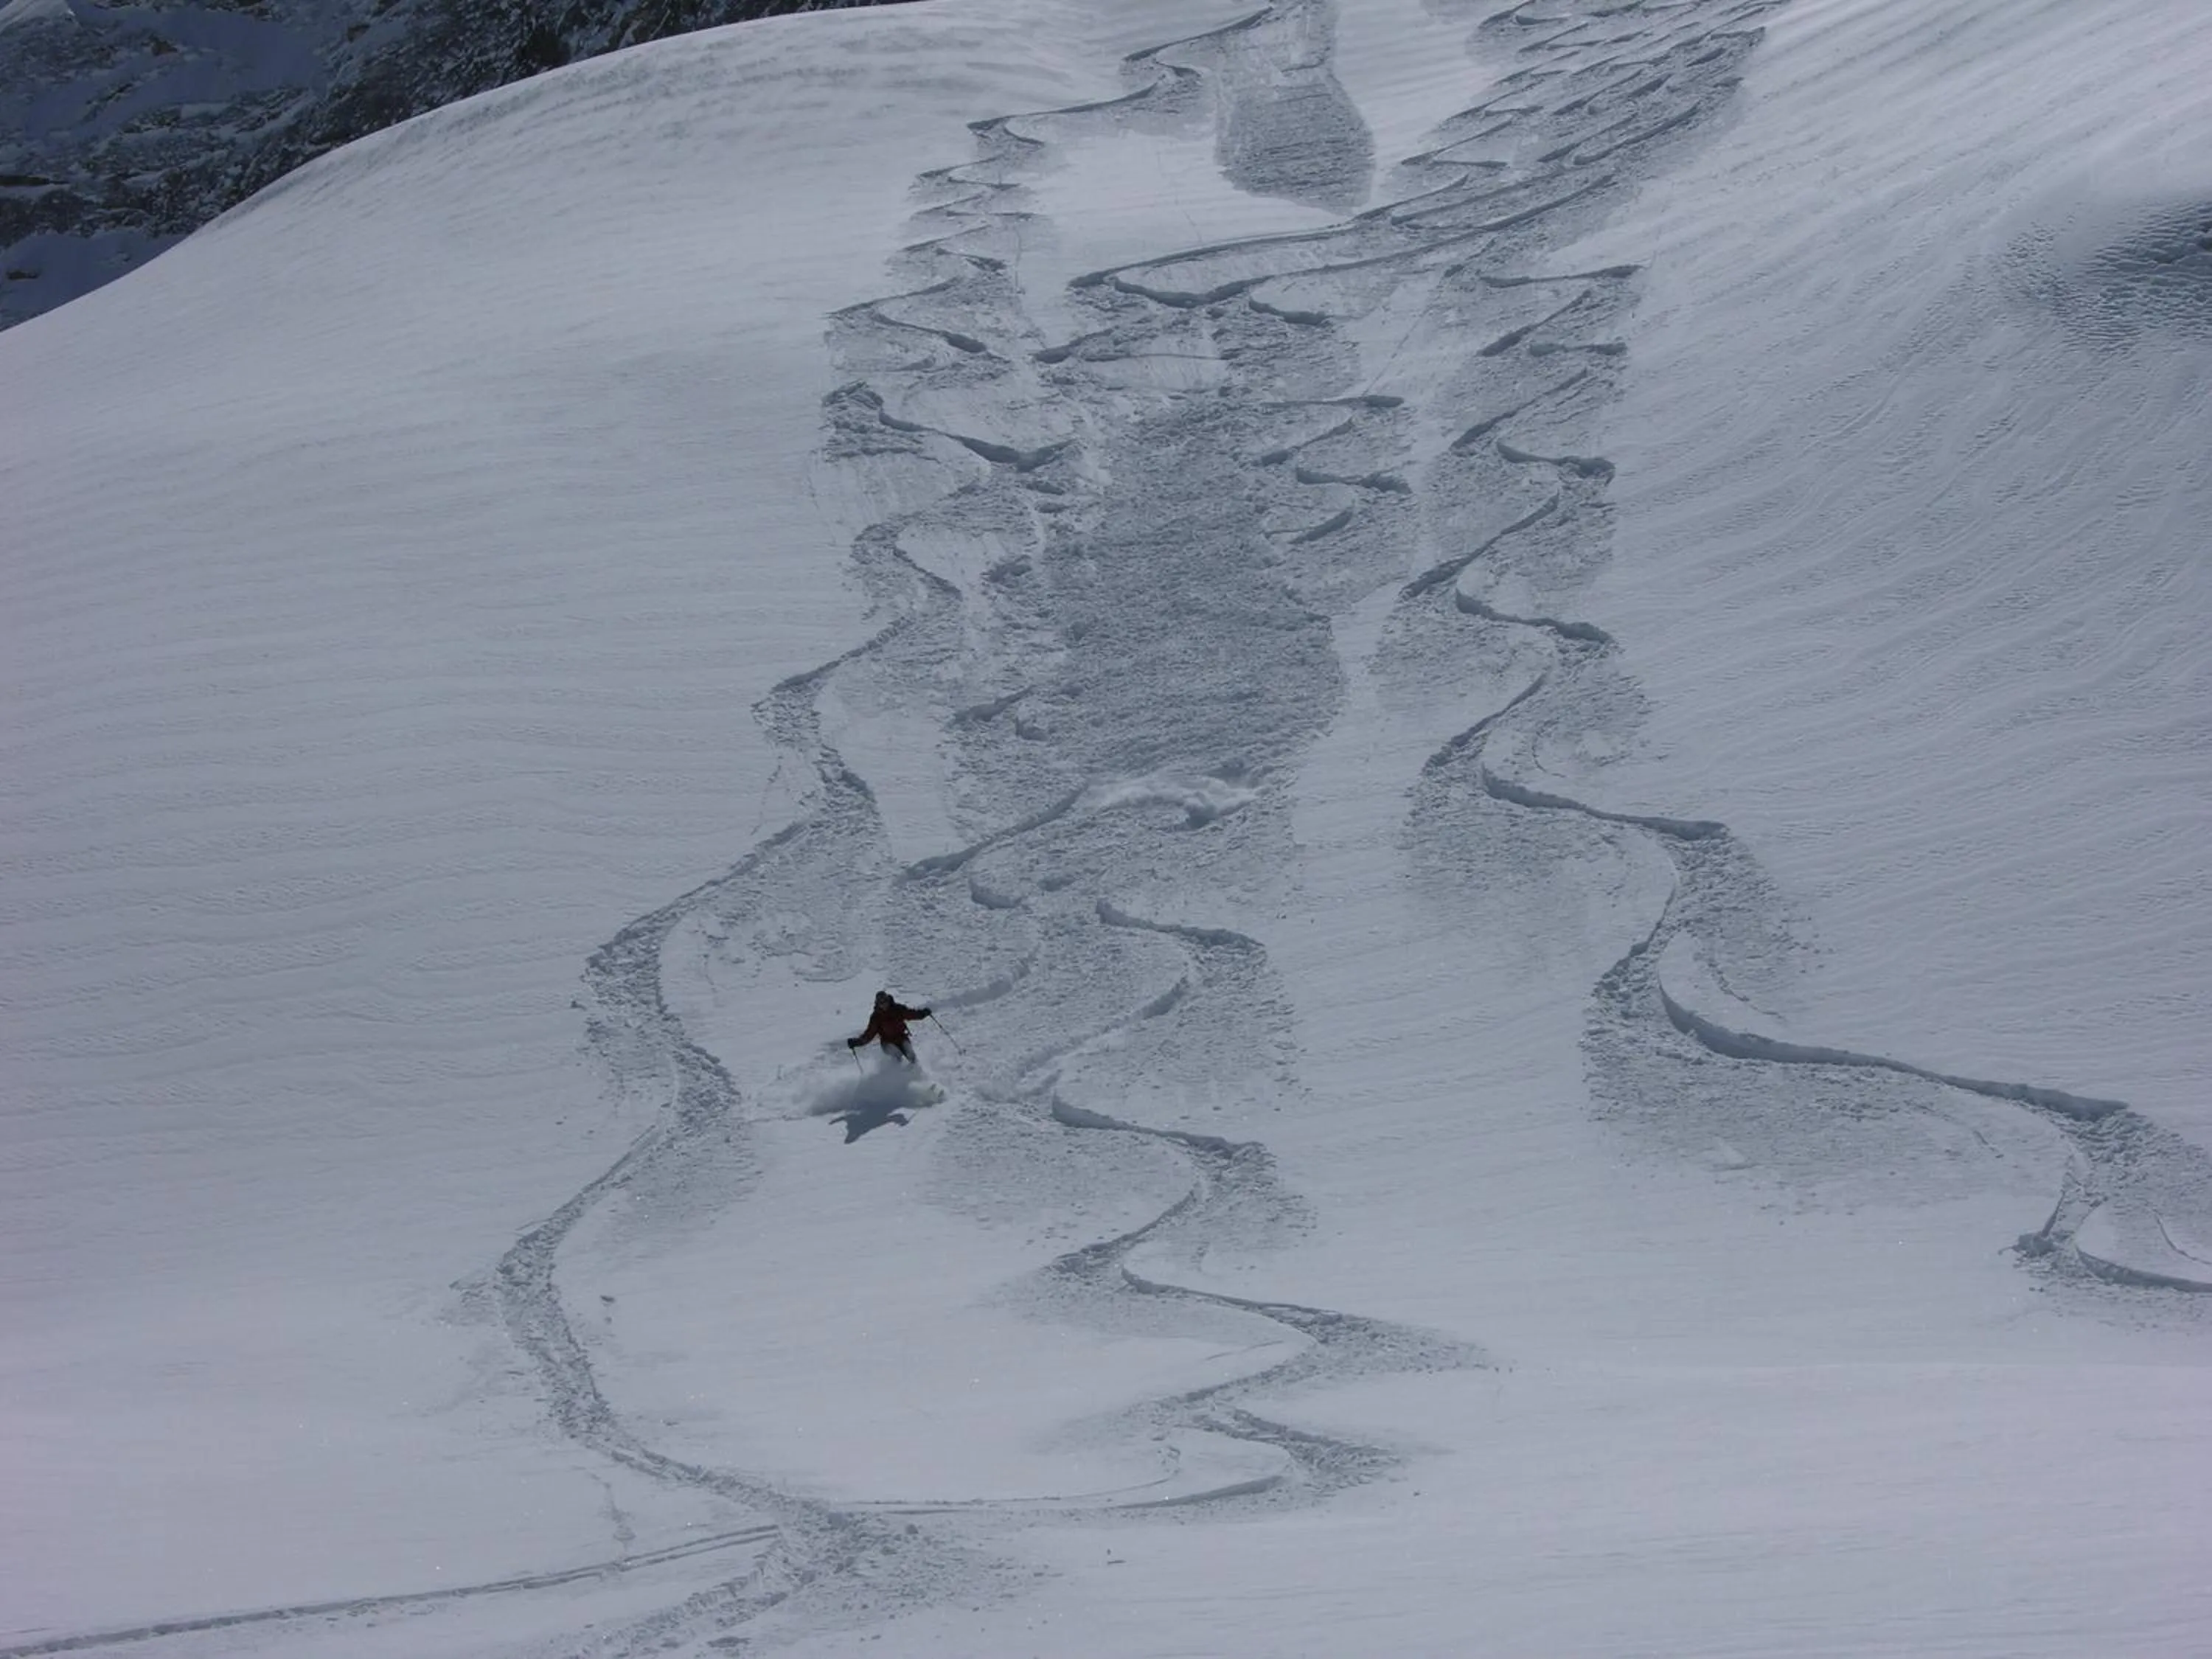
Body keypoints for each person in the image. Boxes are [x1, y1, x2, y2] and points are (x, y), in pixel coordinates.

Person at [847, 990, 931, 1065]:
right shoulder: (876, 1017)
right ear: (878, 1004)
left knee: (911, 1055)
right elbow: (870, 1034)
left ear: (888, 1000)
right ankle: (897, 1076)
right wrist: (857, 1042)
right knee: (897, 1055)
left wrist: (922, 1014)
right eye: (881, 1003)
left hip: (902, 1038)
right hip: (887, 1042)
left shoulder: (898, 1009)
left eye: (885, 1001)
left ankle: (916, 1073)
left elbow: (911, 1014)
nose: (884, 1005)